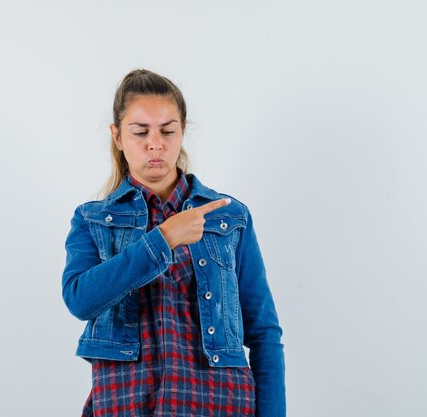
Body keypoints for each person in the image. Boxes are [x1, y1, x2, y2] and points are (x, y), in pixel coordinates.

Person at [61, 69, 285, 417]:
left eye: (168, 130)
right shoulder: (92, 220)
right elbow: (79, 299)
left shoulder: (229, 218)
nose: (156, 144)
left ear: (182, 133)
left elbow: (264, 333)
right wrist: (163, 239)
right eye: (140, 132)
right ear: (117, 136)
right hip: (129, 403)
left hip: (219, 404)